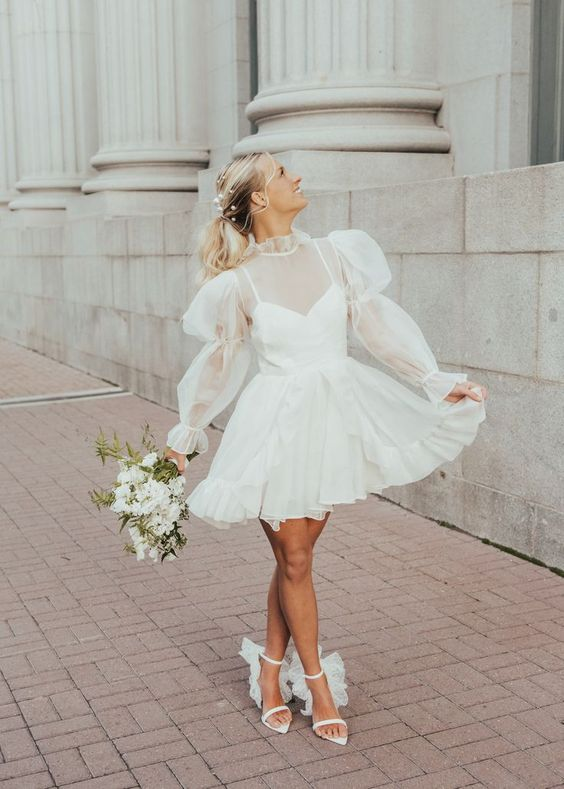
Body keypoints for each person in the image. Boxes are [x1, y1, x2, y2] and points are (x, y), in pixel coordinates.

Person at [164, 151, 488, 746]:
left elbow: (377, 328)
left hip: (335, 422)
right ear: (259, 199)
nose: (297, 178)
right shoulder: (237, 285)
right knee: (294, 558)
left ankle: (268, 669)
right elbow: (218, 365)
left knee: (296, 559)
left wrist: (436, 381)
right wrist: (187, 435)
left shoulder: (336, 253)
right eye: (283, 173)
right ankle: (317, 686)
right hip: (275, 429)